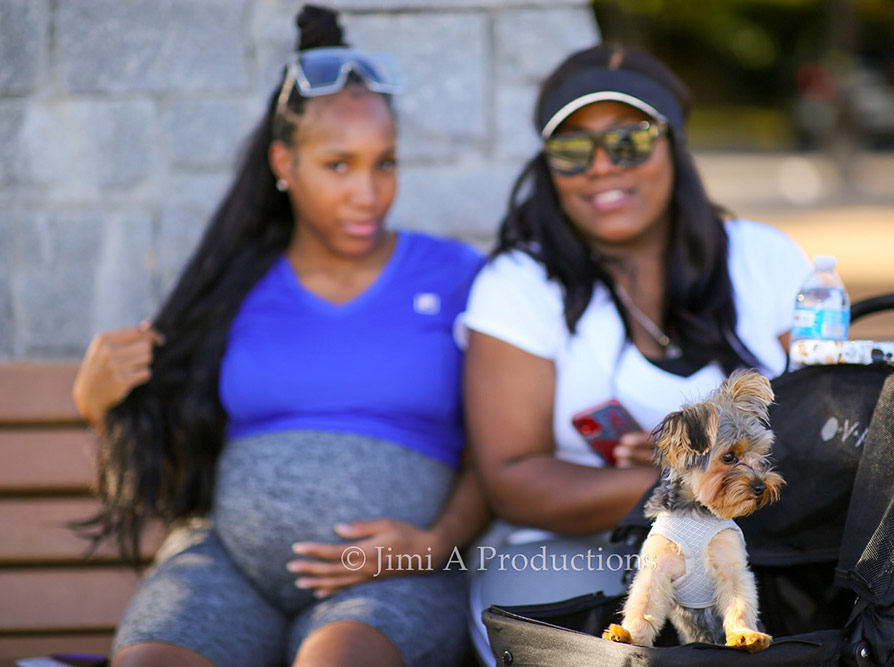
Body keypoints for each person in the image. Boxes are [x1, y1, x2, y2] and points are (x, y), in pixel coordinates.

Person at [70, 5, 488, 666]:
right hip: (230, 568)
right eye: (338, 165)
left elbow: (500, 447)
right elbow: (181, 464)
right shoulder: (233, 287)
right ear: (283, 162)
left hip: (395, 573)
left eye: (386, 164)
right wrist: (102, 407)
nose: (369, 193)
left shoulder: (459, 275)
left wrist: (433, 543)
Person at [459, 43, 813, 660]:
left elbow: (823, 426)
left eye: (629, 140)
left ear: (672, 144)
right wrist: (678, 474)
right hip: (572, 553)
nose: (600, 166)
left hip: (765, 549)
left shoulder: (764, 258)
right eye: (571, 148)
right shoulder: (519, 284)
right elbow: (513, 480)